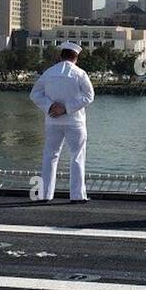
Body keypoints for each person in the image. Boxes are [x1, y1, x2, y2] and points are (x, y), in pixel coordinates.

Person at [29, 41, 95, 202]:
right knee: (77, 157)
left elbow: (35, 94)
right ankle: (77, 195)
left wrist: (50, 107)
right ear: (76, 57)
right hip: (75, 121)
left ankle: (45, 194)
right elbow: (89, 96)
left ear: (60, 56)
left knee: (50, 156)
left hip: (53, 121)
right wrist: (67, 108)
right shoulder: (80, 74)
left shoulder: (49, 73)